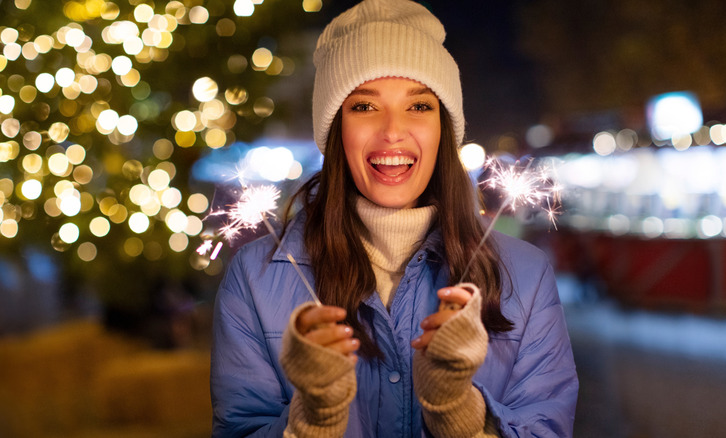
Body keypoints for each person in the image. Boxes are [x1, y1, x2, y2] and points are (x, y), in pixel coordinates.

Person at [210, 0, 578, 436]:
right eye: (364, 107)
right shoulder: (254, 278)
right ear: (335, 129)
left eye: (419, 106)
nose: (391, 131)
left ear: (444, 126)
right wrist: (315, 417)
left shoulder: (526, 275)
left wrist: (456, 409)